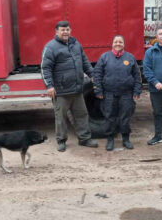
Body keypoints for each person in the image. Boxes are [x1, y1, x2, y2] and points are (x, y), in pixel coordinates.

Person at [41, 21, 98, 152]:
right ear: (56, 32)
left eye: (67, 29)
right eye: (62, 30)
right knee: (61, 118)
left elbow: (84, 61)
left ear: (70, 30)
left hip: (77, 89)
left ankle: (84, 139)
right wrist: (49, 86)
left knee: (81, 115)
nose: (65, 32)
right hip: (61, 91)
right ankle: (61, 141)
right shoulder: (50, 47)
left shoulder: (75, 44)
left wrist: (92, 74)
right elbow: (45, 68)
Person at [93, 35, 142, 151]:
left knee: (125, 117)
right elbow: (97, 74)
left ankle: (126, 139)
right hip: (109, 93)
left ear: (124, 44)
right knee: (110, 117)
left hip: (126, 94)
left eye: (120, 42)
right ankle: (110, 139)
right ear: (112, 44)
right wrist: (98, 90)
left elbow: (137, 76)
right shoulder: (104, 57)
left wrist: (137, 90)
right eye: (116, 42)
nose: (118, 44)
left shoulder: (130, 58)